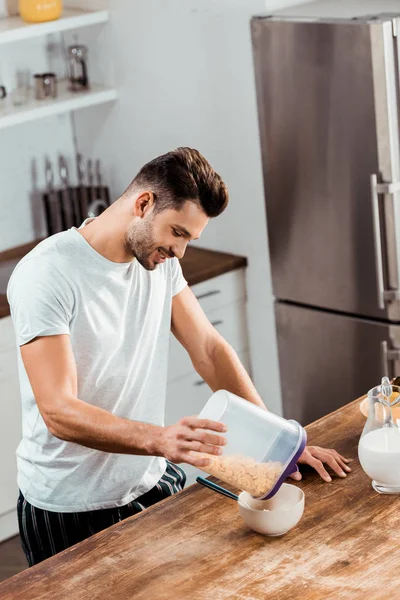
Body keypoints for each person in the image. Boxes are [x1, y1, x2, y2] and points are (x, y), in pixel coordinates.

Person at [7, 147, 350, 566]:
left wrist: (277, 442)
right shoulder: (48, 273)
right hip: (70, 507)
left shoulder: (158, 263)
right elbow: (58, 411)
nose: (181, 251)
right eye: (178, 233)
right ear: (144, 203)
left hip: (149, 483)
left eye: (190, 238)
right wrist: (161, 439)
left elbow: (208, 349)